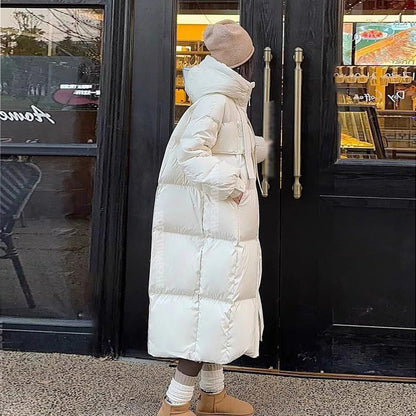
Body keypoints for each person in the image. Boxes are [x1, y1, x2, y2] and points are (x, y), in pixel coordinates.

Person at [148, 20, 268, 416]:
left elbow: (232, 146)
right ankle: (175, 404)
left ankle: (213, 396)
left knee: (218, 307)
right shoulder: (216, 101)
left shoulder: (227, 101)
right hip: (209, 225)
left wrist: (265, 150)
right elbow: (191, 153)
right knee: (208, 311)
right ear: (242, 63)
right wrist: (231, 184)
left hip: (218, 225)